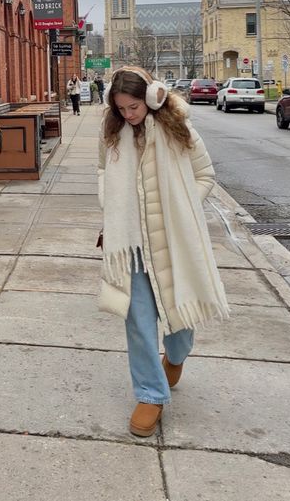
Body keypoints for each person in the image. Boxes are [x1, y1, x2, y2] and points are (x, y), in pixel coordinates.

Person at [97, 66, 229, 438]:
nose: (128, 114)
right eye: (121, 108)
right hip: (132, 244)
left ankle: (175, 355)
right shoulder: (112, 132)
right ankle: (150, 394)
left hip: (174, 241)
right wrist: (110, 205)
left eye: (134, 106)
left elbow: (205, 175)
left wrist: (183, 209)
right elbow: (102, 171)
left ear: (153, 98)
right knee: (137, 321)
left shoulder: (178, 127)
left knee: (180, 319)